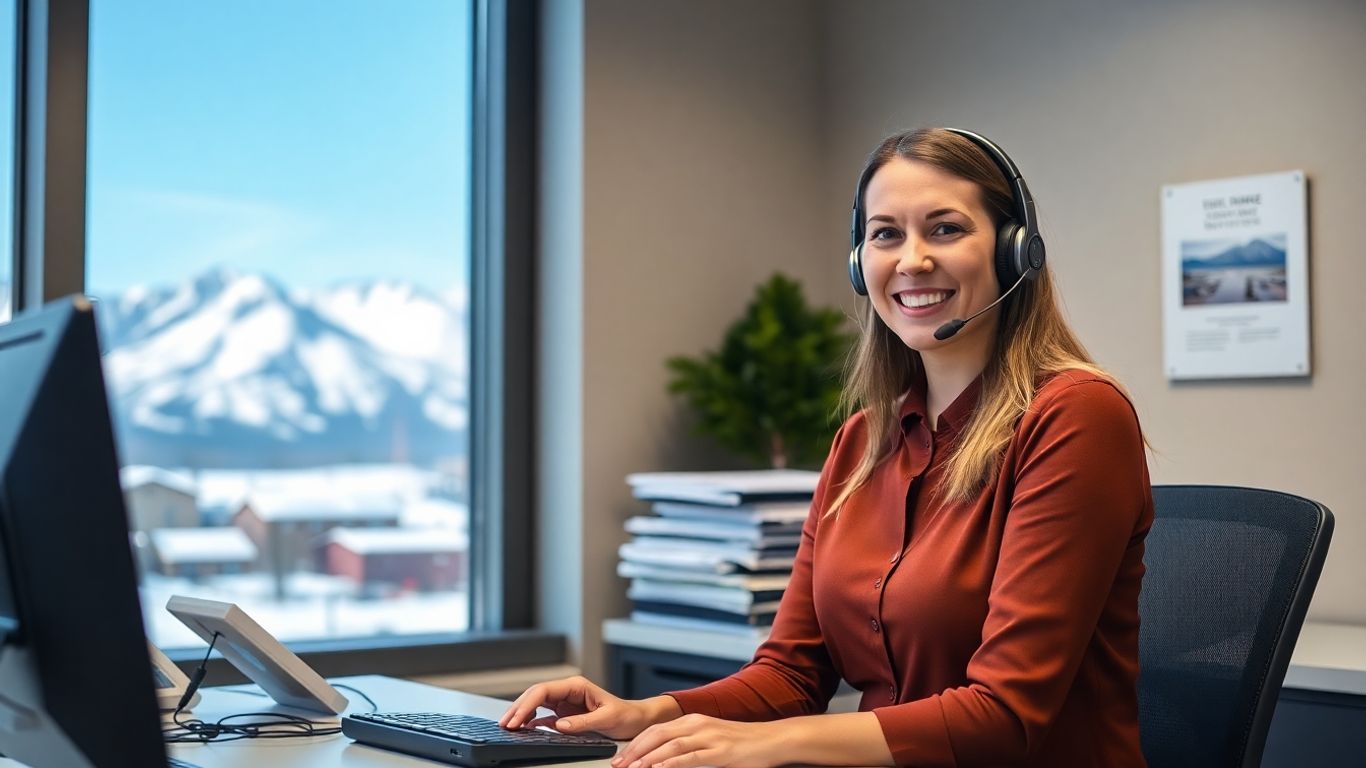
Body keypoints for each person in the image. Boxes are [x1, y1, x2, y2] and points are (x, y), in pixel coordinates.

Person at [500, 127, 1153, 767]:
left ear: (1013, 251)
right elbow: (792, 672)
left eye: (946, 228)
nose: (912, 259)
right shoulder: (863, 442)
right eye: (886, 234)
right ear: (859, 261)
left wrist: (762, 746)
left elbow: (1006, 715)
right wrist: (647, 715)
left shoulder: (1076, 417)